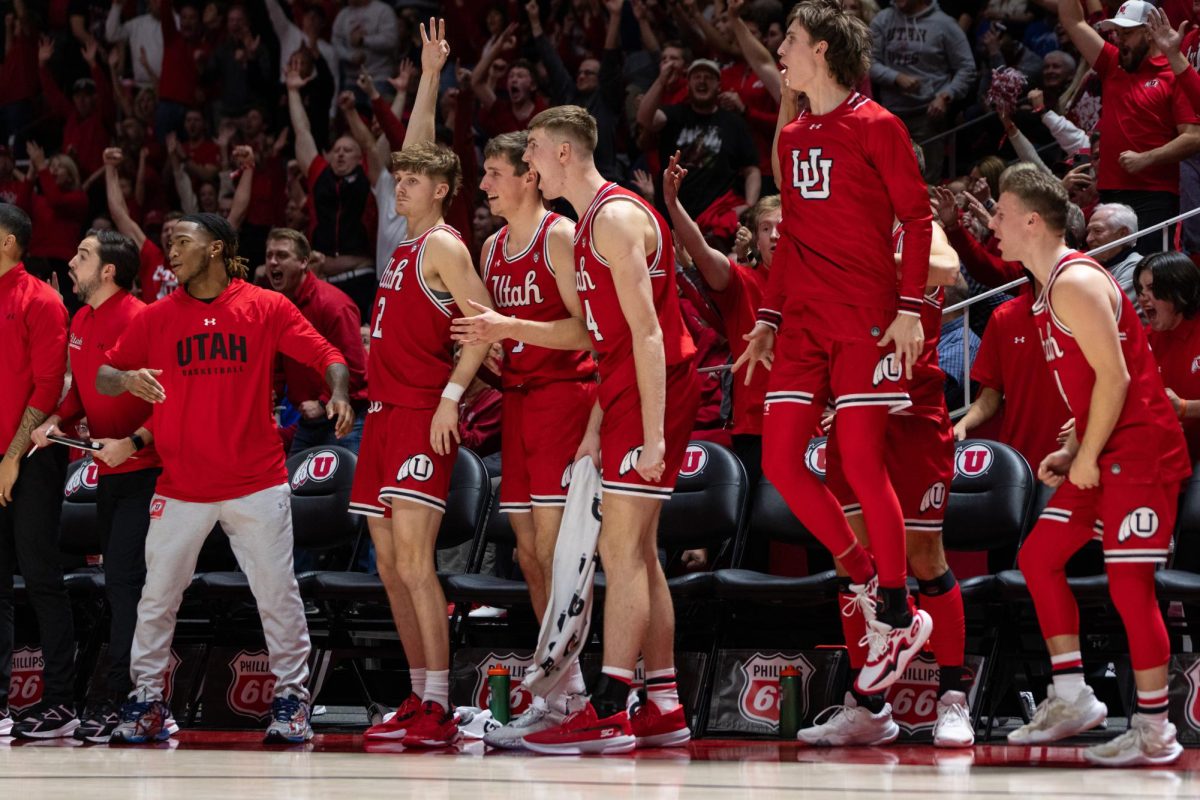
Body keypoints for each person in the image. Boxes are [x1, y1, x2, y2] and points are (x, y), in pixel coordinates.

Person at [458, 103, 701, 754]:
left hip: (657, 389)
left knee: (619, 554)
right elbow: (603, 337)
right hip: (625, 391)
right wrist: (598, 419)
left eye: (533, 149)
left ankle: (615, 710)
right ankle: (665, 704)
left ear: (562, 152)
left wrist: (650, 434)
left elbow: (649, 333)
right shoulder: (592, 219)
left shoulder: (614, 219)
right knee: (640, 556)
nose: (528, 161)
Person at [736, 0, 933, 696]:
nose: (778, 50)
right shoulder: (790, 137)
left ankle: (898, 606)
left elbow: (916, 213)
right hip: (803, 323)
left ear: (820, 49)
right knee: (783, 461)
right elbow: (789, 240)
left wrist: (910, 310)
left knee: (857, 458)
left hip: (865, 317)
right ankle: (858, 571)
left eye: (787, 40)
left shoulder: (878, 125)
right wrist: (766, 315)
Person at [97, 212, 353, 745]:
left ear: (215, 249)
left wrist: (340, 391)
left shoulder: (264, 307)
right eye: (169, 243)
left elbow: (329, 355)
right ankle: (146, 701)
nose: (171, 251)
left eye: (182, 242)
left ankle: (291, 701)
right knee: (156, 599)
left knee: (276, 597)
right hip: (180, 486)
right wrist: (125, 377)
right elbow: (103, 371)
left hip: (255, 481)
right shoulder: (158, 315)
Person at [991, 168, 1189, 766]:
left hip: (1141, 453)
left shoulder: (1075, 280)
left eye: (999, 213)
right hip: (1106, 450)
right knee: (1038, 557)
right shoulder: (1051, 287)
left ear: (1031, 220)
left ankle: (1156, 730)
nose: (991, 224)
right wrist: (1075, 445)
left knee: (1129, 586)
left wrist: (1085, 454)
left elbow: (1119, 377)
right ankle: (1073, 696)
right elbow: (1102, 379)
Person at [348, 19, 495, 749]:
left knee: (414, 561)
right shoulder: (407, 240)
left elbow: (483, 328)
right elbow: (417, 144)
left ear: (440, 189)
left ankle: (439, 705)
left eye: (411, 179)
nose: (398, 181)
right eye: (397, 176)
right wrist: (429, 77)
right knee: (387, 565)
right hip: (380, 415)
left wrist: (449, 398)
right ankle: (415, 695)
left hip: (418, 415)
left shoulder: (444, 243)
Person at [469, 130, 597, 749]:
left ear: (528, 176)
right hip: (514, 405)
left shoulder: (562, 237)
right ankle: (557, 684)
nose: (486, 185)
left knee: (555, 553)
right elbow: (506, 338)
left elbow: (586, 334)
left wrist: (510, 324)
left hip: (563, 404)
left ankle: (568, 692)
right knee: (526, 554)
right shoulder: (492, 248)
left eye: (495, 173)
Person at [30, 230, 162, 743]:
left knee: (128, 588)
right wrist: (58, 420)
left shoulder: (143, 317)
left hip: (149, 472)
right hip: (108, 475)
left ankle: (131, 701)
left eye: (82, 255)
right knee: (120, 587)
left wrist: (132, 440)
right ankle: (118, 699)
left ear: (109, 271)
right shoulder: (81, 320)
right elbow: (82, 395)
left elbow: (167, 398)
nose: (70, 260)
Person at [0, 203, 76, 739]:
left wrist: (9, 459)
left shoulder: (42, 300)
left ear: (8, 242)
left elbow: (48, 388)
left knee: (42, 578)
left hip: (33, 458)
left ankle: (61, 700)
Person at [1058, 0, 1200, 249]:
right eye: (1118, 33)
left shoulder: (1173, 74)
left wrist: (1148, 158)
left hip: (1154, 196)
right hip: (1109, 196)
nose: (1120, 40)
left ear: (1149, 32)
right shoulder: (1113, 64)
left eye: (1128, 33)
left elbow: (1194, 137)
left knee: (1150, 277)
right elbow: (1073, 21)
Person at [264, 228, 368, 454]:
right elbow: (278, 369)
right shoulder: (276, 307)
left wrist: (322, 403)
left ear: (304, 262)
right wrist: (268, 394)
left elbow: (356, 369)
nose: (272, 262)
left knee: (347, 488)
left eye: (281, 256)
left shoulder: (333, 304)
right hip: (308, 421)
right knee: (289, 488)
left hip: (346, 417)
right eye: (269, 255)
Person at [953, 293, 1073, 469]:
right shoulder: (1004, 317)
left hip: (1072, 456)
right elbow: (989, 396)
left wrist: (1088, 421)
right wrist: (963, 424)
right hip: (1018, 460)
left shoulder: (1088, 312)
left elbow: (1113, 382)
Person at [1135, 251, 1200, 460]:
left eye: (1152, 288)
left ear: (1179, 289)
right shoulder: (1146, 339)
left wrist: (1183, 407)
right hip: (1167, 457)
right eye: (1139, 289)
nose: (1143, 297)